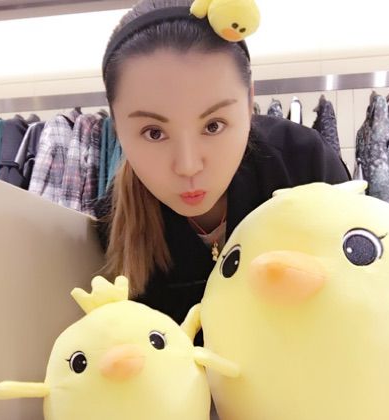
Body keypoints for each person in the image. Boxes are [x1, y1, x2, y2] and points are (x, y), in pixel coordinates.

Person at [94, 0, 350, 325]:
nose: (188, 166)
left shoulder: (303, 164)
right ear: (117, 126)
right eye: (154, 133)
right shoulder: (114, 221)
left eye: (213, 126)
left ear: (248, 102)